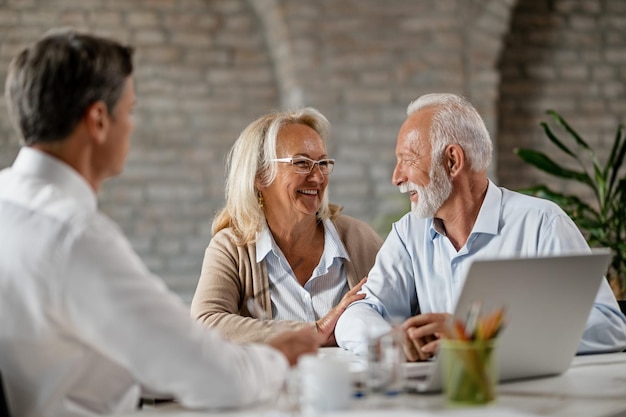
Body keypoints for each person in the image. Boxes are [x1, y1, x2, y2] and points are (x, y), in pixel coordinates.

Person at [0, 28, 320, 417]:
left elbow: (145, 350)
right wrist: (277, 357)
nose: (132, 126)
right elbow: (215, 380)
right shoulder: (76, 236)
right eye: (130, 111)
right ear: (99, 119)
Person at [335, 93, 626, 360]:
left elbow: (609, 324)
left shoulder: (543, 224)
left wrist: (478, 334)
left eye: (407, 160)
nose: (396, 177)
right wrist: (388, 339)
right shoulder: (408, 233)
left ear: (452, 161)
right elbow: (357, 313)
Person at [190, 108, 382, 346]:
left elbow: (403, 312)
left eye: (322, 163)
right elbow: (205, 322)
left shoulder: (359, 238)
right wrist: (314, 331)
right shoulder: (232, 248)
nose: (318, 176)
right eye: (302, 163)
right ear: (260, 175)